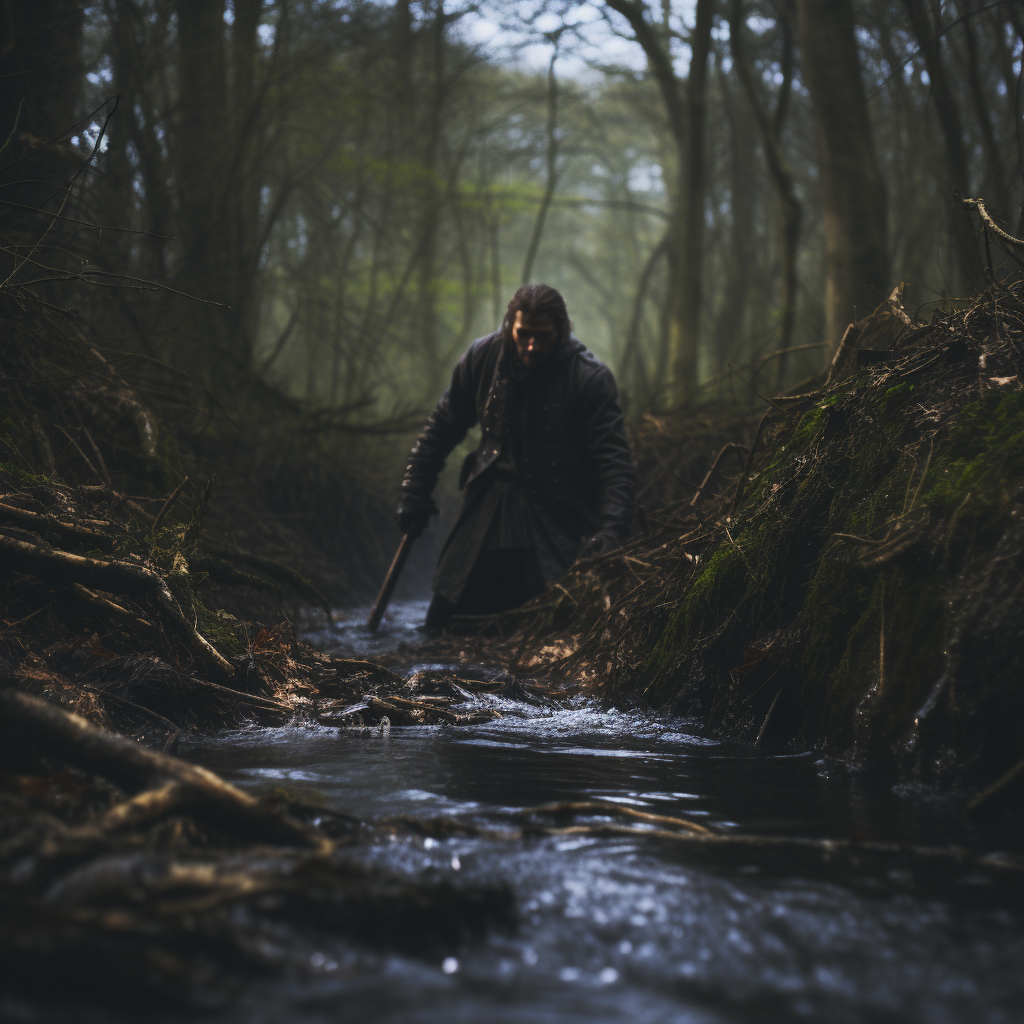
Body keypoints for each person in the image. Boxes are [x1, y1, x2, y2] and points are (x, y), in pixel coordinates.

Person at [396, 283, 635, 630]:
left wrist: (612, 531)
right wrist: (413, 490)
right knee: (441, 629)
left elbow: (615, 465)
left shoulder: (589, 378)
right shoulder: (482, 358)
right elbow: (442, 428)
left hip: (559, 519)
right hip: (486, 513)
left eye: (543, 336)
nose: (532, 346)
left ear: (561, 331)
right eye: (524, 334)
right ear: (511, 326)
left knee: (556, 630)